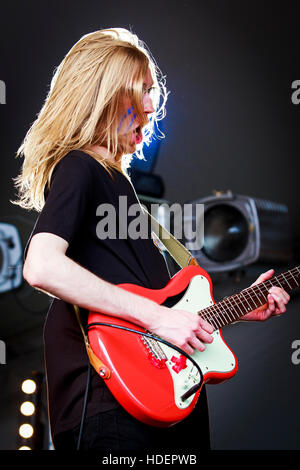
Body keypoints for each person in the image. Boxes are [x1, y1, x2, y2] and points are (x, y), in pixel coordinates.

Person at [13, 28, 290, 452]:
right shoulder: (80, 167)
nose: (151, 106)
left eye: (152, 91)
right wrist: (159, 319)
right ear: (103, 93)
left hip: (166, 397)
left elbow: (163, 307)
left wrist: (234, 310)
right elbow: (41, 265)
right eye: (141, 90)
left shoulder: (118, 186)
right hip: (111, 401)